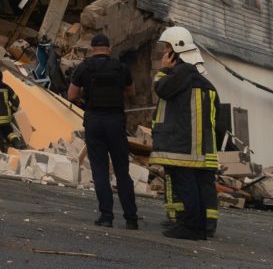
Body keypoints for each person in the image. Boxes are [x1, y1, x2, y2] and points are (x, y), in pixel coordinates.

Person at [151, 26, 220, 241]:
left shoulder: (181, 73)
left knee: (185, 184)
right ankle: (199, 226)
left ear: (175, 51)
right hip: (198, 145)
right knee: (198, 186)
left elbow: (162, 89)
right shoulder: (205, 82)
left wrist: (163, 70)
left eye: (166, 49)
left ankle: (190, 227)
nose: (163, 54)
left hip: (182, 144)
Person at [67, 33, 139, 229]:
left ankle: (106, 216)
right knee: (122, 170)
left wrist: (85, 93)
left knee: (99, 170)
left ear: (91, 49)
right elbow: (131, 92)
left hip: (94, 120)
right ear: (109, 49)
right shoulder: (121, 67)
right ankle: (131, 218)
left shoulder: (84, 67)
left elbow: (71, 95)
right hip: (115, 121)